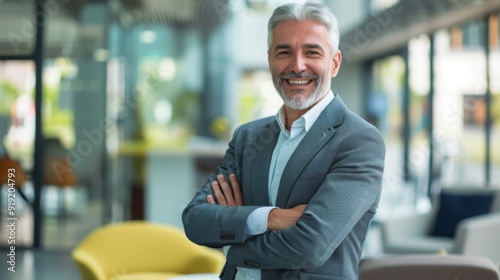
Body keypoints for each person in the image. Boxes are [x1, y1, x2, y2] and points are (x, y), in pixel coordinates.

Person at [182, 1, 386, 279]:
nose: (297, 65)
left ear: (334, 63)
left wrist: (232, 243)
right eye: (284, 52)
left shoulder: (358, 140)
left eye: (312, 52)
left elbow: (310, 246)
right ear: (270, 61)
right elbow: (195, 220)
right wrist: (271, 218)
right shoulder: (248, 137)